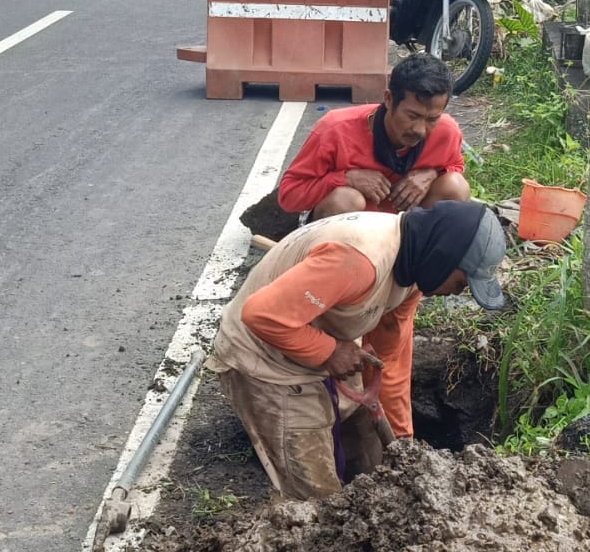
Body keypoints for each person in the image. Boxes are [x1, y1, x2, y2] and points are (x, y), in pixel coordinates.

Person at [209, 201, 506, 499]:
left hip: (325, 345)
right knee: (317, 500)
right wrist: (330, 352)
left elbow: (390, 360)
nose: (460, 292)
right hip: (267, 360)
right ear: (444, 258)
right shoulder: (360, 260)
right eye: (463, 282)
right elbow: (261, 315)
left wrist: (405, 446)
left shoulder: (415, 270)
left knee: (373, 464)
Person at [278, 54, 470, 222]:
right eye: (412, 116)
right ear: (388, 99)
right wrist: (345, 178)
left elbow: (455, 166)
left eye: (432, 119)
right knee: (346, 199)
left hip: (404, 226)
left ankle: (418, 259)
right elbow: (288, 195)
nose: (420, 129)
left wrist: (432, 174)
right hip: (345, 231)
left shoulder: (447, 132)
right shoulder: (335, 130)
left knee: (455, 185)